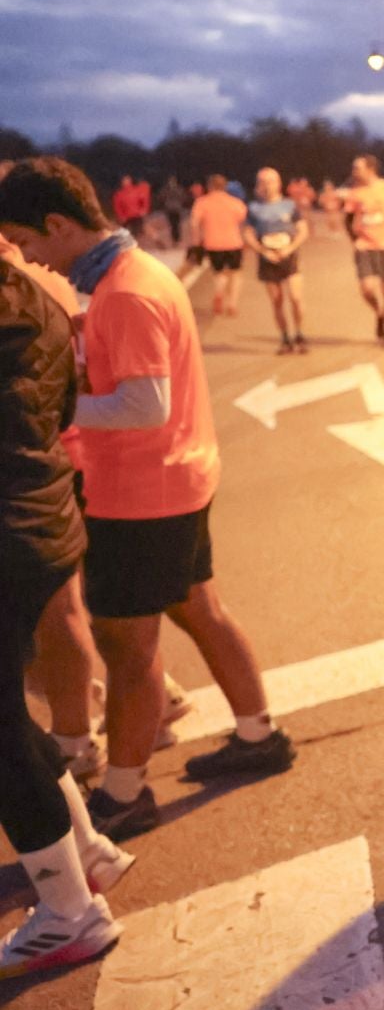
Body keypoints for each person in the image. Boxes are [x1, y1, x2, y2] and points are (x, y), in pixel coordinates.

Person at [0, 160, 293, 841]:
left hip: (142, 491)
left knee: (128, 650)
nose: (30, 258)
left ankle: (127, 792)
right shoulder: (130, 275)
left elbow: (144, 403)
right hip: (176, 477)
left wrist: (54, 405)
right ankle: (258, 735)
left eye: (29, 242)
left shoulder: (125, 292)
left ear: (58, 225)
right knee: (201, 608)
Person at [0, 245, 133, 979]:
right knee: (13, 717)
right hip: (42, 509)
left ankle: (69, 912)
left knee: (1, 731)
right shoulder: (32, 288)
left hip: (9, 527)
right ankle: (86, 850)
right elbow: (56, 406)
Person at [343, 154, 384, 347]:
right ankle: (380, 312)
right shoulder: (355, 193)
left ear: (370, 169)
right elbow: (347, 219)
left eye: (358, 168)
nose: (354, 172)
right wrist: (355, 239)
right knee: (366, 288)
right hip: (365, 246)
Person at [243, 167, 309, 355]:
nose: (267, 186)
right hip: (268, 258)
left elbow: (303, 230)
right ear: (258, 185)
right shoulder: (254, 209)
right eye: (263, 182)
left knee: (296, 298)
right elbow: (248, 234)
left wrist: (290, 248)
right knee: (277, 301)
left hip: (289, 256)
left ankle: (299, 333)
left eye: (271, 181)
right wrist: (263, 251)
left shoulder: (290, 205)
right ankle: (285, 338)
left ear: (279, 183)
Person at [190, 173, 248, 317]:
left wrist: (196, 241)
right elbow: (244, 222)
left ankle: (219, 292)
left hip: (212, 243)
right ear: (225, 187)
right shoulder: (235, 202)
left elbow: (194, 223)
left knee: (219, 272)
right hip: (234, 242)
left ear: (209, 186)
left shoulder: (202, 202)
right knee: (235, 273)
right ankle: (232, 304)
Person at [158, 176, 188, 248]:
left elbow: (161, 197)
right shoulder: (179, 189)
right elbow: (184, 197)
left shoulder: (166, 189)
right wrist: (180, 203)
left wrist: (165, 203)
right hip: (177, 209)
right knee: (176, 224)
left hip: (170, 209)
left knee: (172, 224)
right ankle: (177, 239)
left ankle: (175, 239)